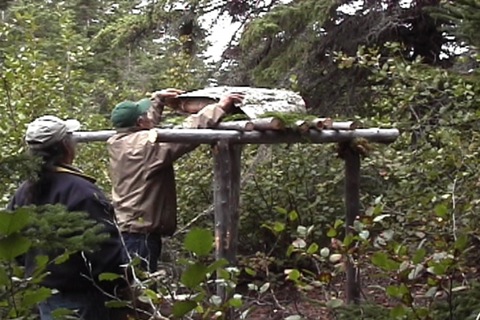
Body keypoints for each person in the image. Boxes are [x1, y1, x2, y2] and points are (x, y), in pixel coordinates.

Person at [107, 89, 243, 272]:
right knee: (139, 292)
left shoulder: (119, 141)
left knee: (136, 287)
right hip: (139, 236)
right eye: (145, 114)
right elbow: (184, 132)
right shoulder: (145, 148)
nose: (148, 116)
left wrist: (158, 101)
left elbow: (147, 130)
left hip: (131, 228)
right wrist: (219, 108)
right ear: (140, 122)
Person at [8, 115, 128, 320]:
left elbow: (12, 241)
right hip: (85, 299)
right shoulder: (82, 191)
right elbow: (106, 252)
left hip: (46, 297)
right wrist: (121, 287)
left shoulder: (24, 191)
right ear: (66, 147)